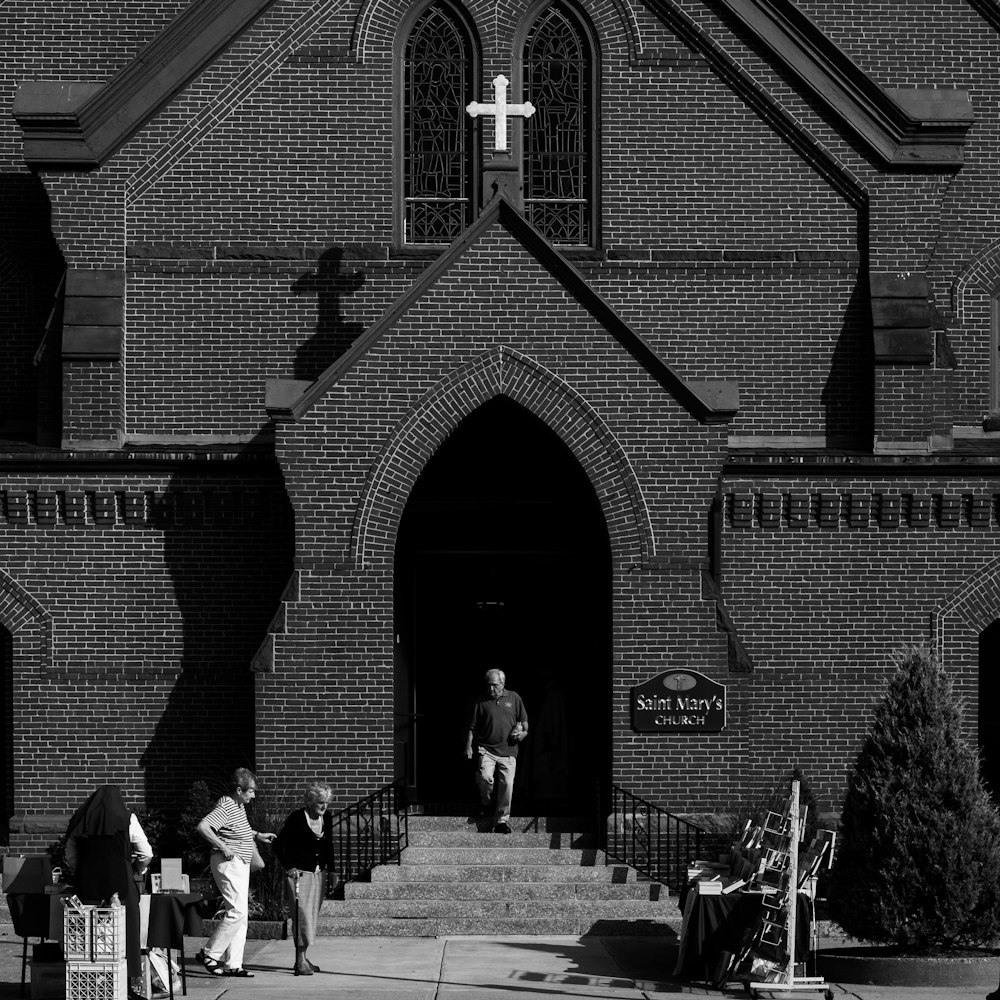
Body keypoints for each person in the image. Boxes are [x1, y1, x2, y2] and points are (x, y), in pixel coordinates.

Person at [64, 785, 154, 1000]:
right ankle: (128, 985)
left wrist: (81, 871)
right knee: (125, 933)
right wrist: (137, 869)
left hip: (87, 885)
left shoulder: (79, 818)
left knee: (87, 936)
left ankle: (88, 984)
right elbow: (146, 853)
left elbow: (70, 855)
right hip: (121, 883)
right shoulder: (128, 818)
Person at [195, 768, 276, 978]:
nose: (254, 795)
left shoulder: (238, 805)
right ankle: (209, 953)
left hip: (239, 863)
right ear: (239, 790)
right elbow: (203, 827)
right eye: (250, 791)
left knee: (241, 914)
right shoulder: (226, 804)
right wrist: (222, 846)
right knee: (237, 912)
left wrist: (258, 835)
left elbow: (238, 829)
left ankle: (234, 964)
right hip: (227, 863)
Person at [274, 782, 334, 976]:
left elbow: (329, 846)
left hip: (318, 874)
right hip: (299, 875)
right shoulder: (297, 818)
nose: (324, 807)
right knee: (302, 918)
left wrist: (332, 872)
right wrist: (289, 866)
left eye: (326, 802)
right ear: (309, 801)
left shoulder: (327, 818)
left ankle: (303, 957)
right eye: (320, 802)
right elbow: (278, 845)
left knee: (311, 918)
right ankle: (299, 961)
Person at [464, 668, 528, 834]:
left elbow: (525, 724)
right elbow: (472, 727)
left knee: (507, 785)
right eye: (488, 685)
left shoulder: (514, 698)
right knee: (485, 777)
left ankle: (501, 821)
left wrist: (521, 735)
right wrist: (468, 746)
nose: (491, 689)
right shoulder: (481, 701)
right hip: (487, 750)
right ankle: (486, 802)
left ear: (502, 683)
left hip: (508, 751)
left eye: (494, 685)